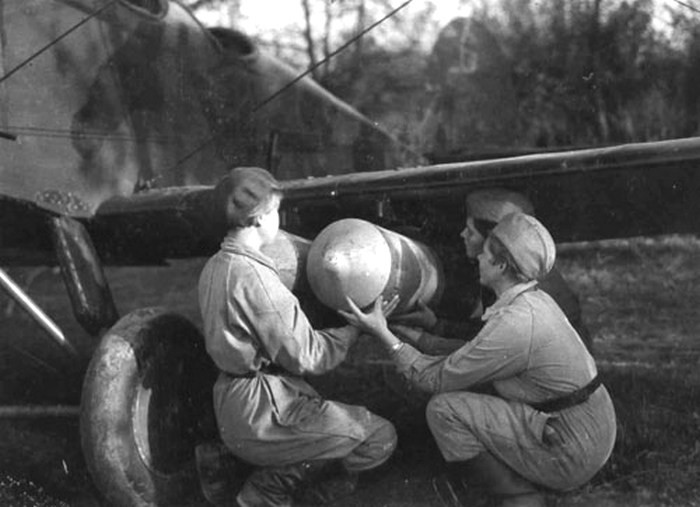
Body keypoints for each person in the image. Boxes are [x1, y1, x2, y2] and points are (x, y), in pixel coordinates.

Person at [340, 212, 617, 507]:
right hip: (589, 429)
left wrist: (383, 334)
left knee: (444, 409)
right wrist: (420, 337)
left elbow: (433, 379)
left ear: (502, 265)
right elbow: (475, 351)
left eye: (485, 254)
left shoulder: (516, 323)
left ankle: (520, 499)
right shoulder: (532, 301)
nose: (478, 260)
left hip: (571, 450)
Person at [197, 166, 397, 506]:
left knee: (326, 428)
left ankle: (233, 463)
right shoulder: (256, 279)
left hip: (231, 403)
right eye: (276, 211)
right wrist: (356, 330)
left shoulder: (215, 266)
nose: (279, 218)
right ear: (258, 218)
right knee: (379, 436)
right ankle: (271, 492)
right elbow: (309, 356)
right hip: (262, 413)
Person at [396, 188, 593, 354]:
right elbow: (487, 331)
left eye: (470, 231)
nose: (463, 235)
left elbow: (484, 352)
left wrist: (423, 340)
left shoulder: (520, 289)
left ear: (495, 239)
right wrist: (435, 325)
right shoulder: (517, 272)